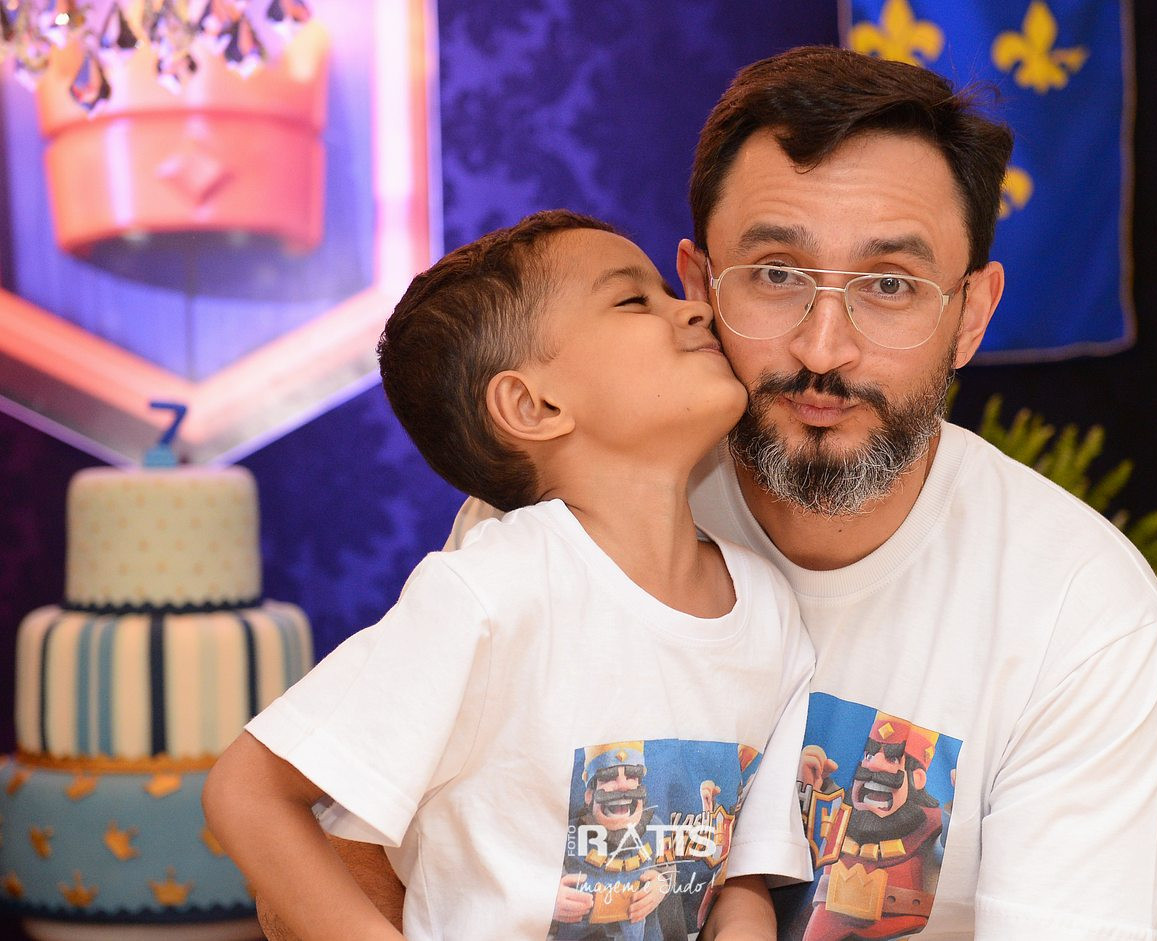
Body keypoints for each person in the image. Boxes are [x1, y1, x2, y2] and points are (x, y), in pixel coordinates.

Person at [443, 47, 1157, 940]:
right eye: (777, 274)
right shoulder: (552, 520)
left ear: (971, 316)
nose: (824, 348)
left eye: (890, 285)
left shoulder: (1082, 614)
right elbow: (371, 843)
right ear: (699, 288)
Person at [202, 209, 816, 941]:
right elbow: (249, 789)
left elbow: (741, 877)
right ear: (533, 405)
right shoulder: (486, 593)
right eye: (633, 299)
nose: (694, 309)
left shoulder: (769, 608)